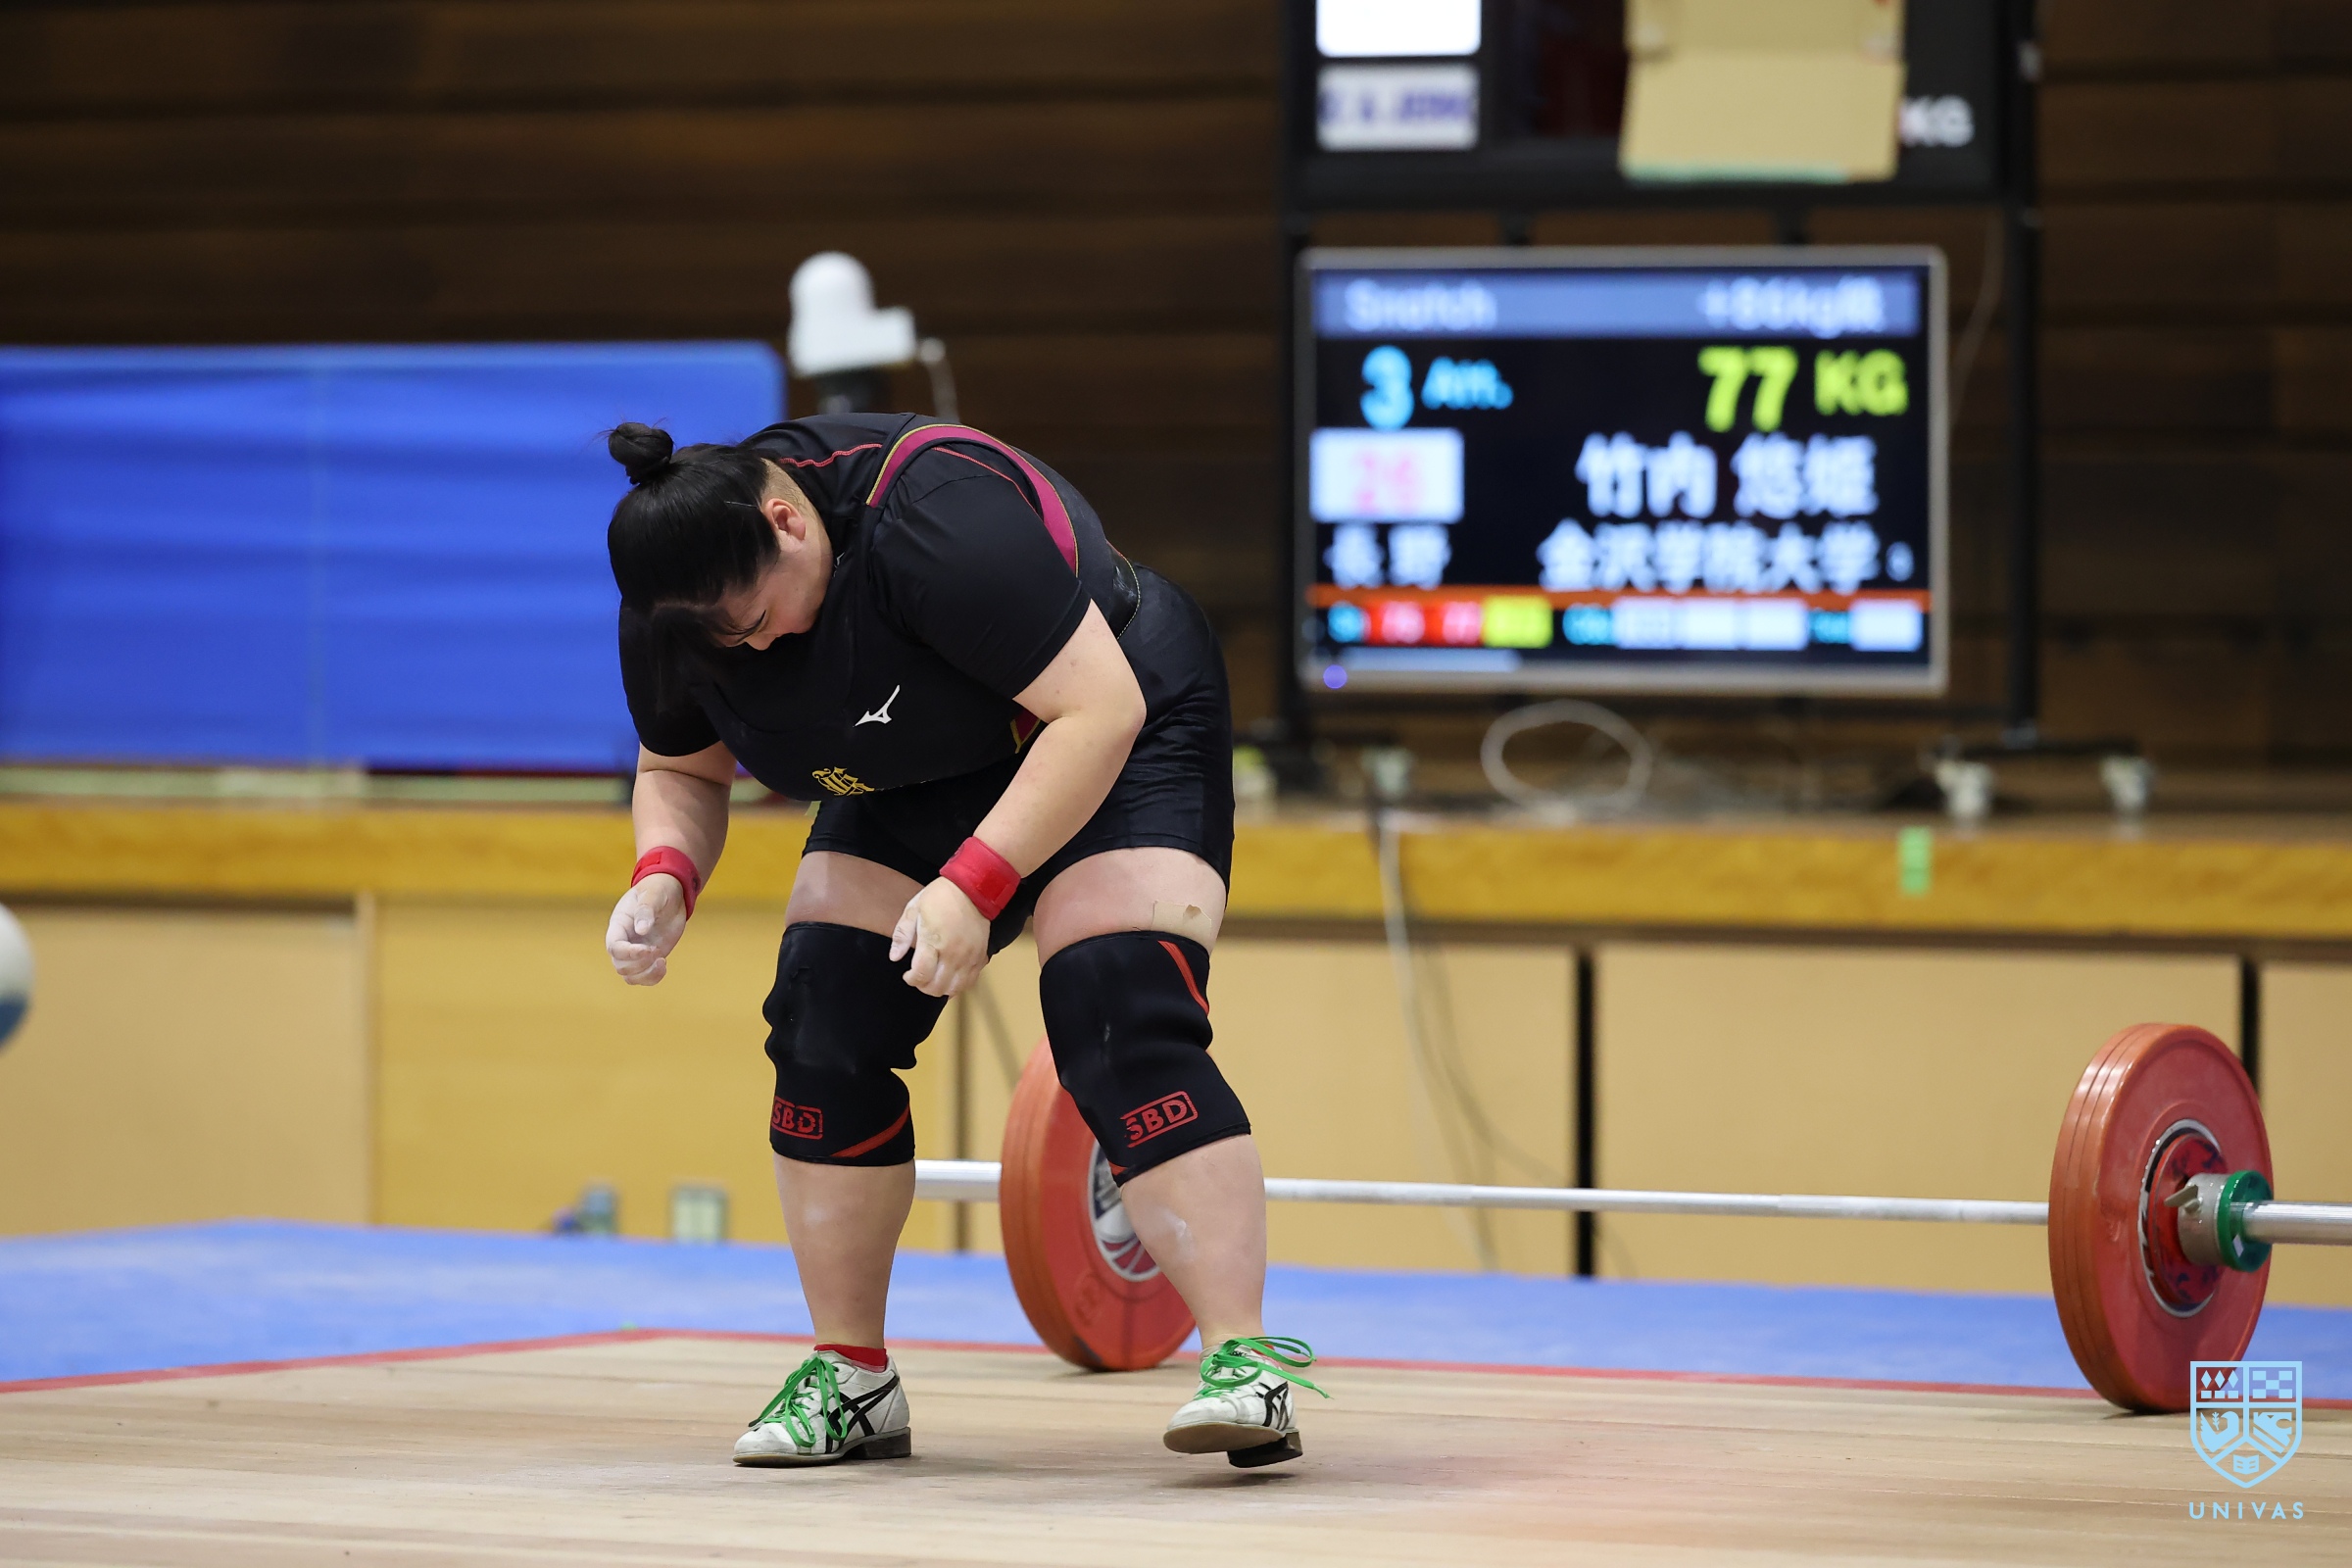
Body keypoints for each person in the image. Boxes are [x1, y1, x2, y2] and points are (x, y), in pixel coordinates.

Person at [600, 414, 1323, 1468]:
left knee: (1118, 1009)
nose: (750, 650)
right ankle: (853, 1377)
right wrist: (665, 874)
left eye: (753, 620)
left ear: (787, 522)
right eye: (723, 642)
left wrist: (974, 886)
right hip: (917, 768)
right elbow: (680, 770)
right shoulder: (677, 607)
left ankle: (1247, 1362)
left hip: (1112, 718)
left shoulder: (935, 520)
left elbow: (1096, 711)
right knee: (822, 1021)